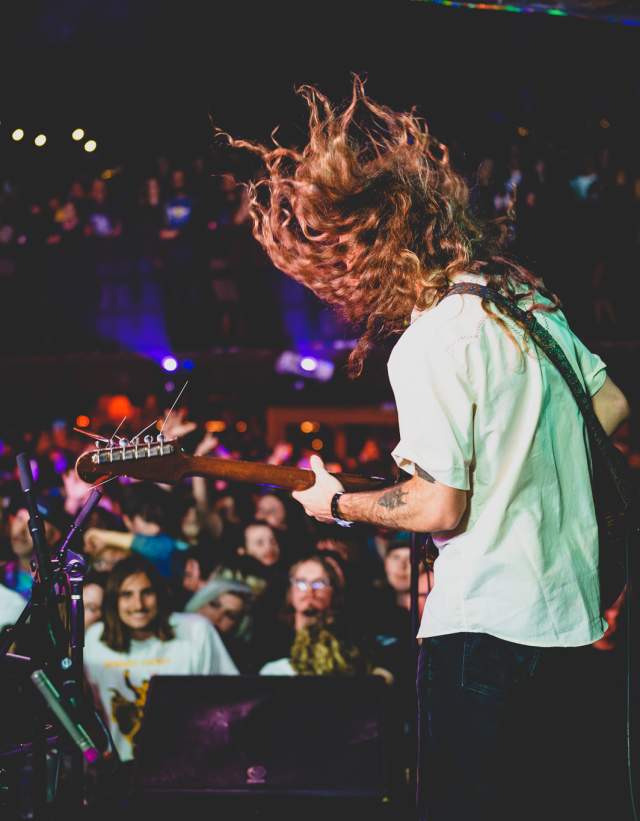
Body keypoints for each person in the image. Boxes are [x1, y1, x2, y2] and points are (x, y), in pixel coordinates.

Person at [224, 77, 631, 821]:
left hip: (483, 637)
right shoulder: (525, 304)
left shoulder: (431, 339)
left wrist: (335, 502)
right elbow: (610, 402)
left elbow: (440, 501)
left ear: (365, 252)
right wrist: (527, 456)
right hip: (572, 631)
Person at [84, 555, 238, 762]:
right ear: (114, 600)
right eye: (127, 594)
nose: (138, 605)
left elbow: (230, 696)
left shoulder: (195, 630)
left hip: (188, 766)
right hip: (120, 769)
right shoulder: (95, 639)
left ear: (160, 594)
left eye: (146, 593)